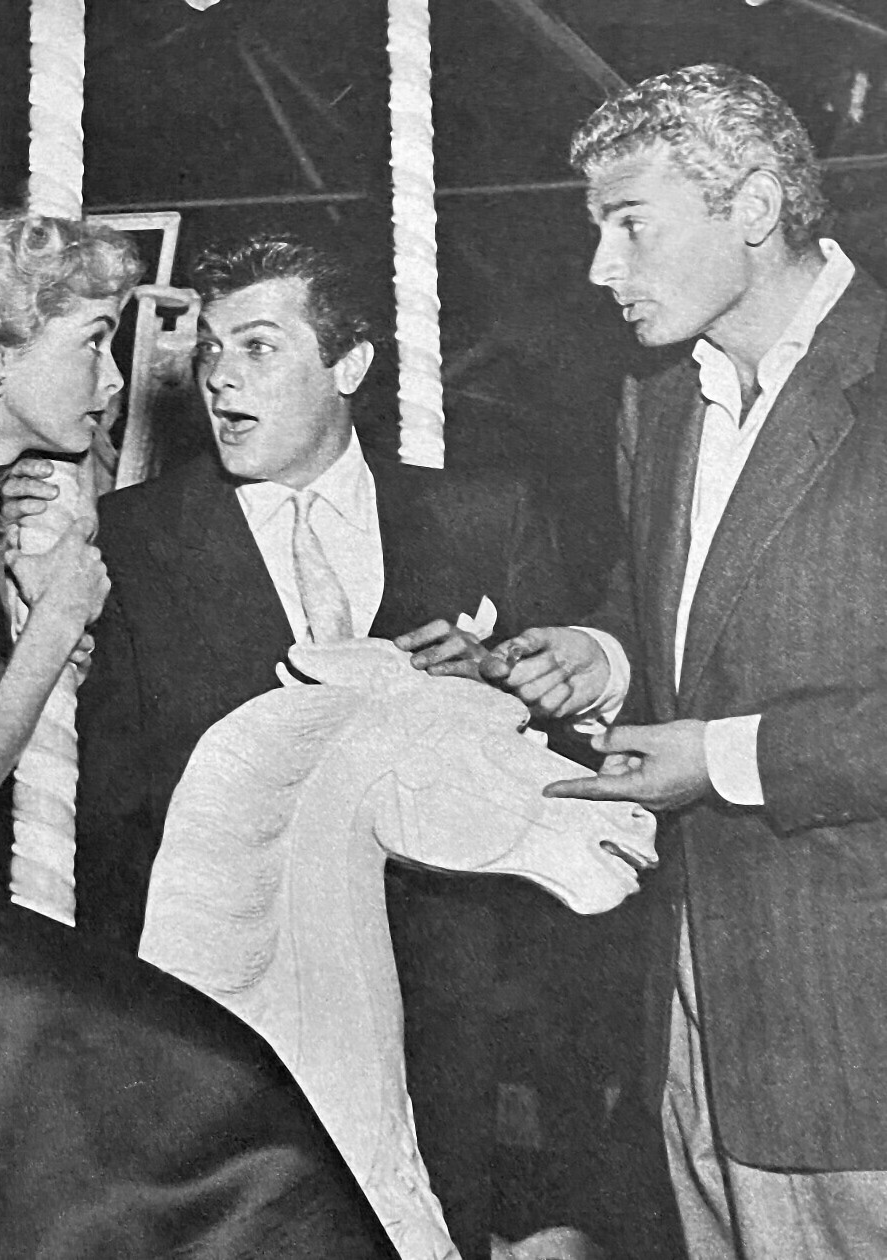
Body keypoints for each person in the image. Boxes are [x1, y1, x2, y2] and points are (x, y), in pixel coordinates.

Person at [0, 213, 400, 1260]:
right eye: (92, 343)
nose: (115, 381)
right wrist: (56, 624)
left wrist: (45, 606)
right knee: (217, 1095)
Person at [7, 232, 576, 1259]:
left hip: (443, 1013)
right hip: (222, 1015)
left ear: (347, 363)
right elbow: (99, 803)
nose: (220, 377)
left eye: (259, 347)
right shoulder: (125, 539)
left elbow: (573, 750)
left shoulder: (482, 518)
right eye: (212, 350)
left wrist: (495, 692)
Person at [485, 63, 887, 1260]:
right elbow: (679, 616)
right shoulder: (660, 400)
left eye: (630, 225)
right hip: (691, 1015)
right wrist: (600, 655)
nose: (599, 268)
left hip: (857, 1023)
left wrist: (718, 759)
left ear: (753, 206)